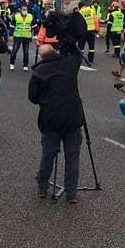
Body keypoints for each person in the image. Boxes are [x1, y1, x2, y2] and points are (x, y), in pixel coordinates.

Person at [28, 43, 84, 203]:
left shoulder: (39, 72)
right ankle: (71, 193)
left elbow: (32, 97)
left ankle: (43, 187)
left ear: (41, 57)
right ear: (56, 51)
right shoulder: (69, 65)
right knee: (72, 156)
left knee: (48, 153)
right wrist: (67, 42)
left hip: (50, 118)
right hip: (72, 118)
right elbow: (77, 54)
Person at [9, 3, 35, 71]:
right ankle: (12, 64)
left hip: (26, 36)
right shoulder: (16, 16)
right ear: (20, 10)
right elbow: (12, 26)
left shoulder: (30, 16)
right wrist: (11, 35)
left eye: (26, 10)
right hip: (18, 36)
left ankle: (25, 65)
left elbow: (34, 26)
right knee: (14, 50)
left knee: (26, 52)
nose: (25, 11)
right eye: (23, 9)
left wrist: (36, 34)